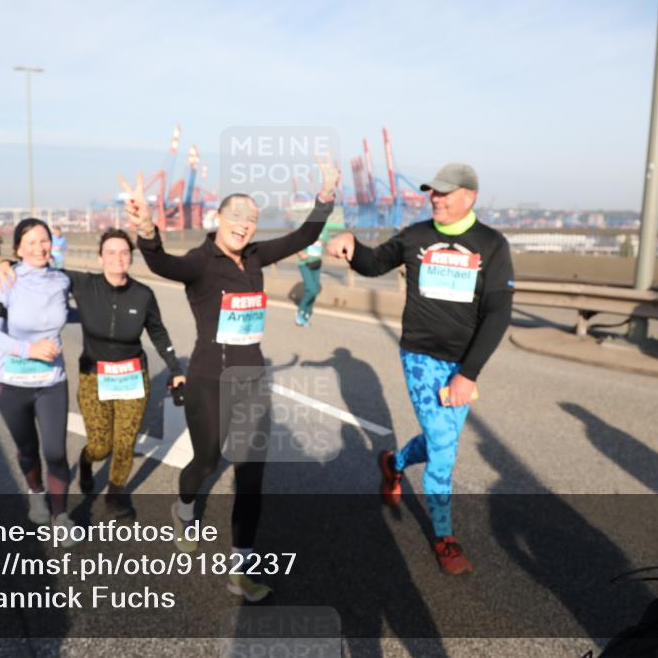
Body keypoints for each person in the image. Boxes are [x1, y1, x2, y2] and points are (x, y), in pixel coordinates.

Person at [123, 152, 340, 601]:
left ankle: (241, 567)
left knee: (252, 475)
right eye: (236, 215)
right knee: (205, 462)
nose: (244, 224)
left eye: (252, 218)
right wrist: (146, 229)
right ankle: (184, 509)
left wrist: (325, 195)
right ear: (217, 218)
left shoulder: (257, 256)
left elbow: (305, 234)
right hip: (209, 380)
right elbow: (162, 263)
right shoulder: (200, 263)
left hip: (252, 381)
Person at [327, 163, 514, 576]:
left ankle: (393, 463)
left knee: (437, 439)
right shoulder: (416, 236)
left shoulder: (492, 244)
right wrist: (351, 245)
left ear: (470, 197)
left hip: (462, 364)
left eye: (445, 193)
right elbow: (374, 262)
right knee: (444, 450)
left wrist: (468, 374)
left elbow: (499, 312)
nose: (436, 198)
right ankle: (445, 537)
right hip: (420, 357)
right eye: (433, 191)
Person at [0, 229, 185, 519]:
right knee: (100, 444)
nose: (117, 258)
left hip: (133, 376)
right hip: (93, 375)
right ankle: (86, 463)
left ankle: (116, 495)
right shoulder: (82, 283)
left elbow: (158, 332)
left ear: (130, 258)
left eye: (124, 253)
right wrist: (5, 263)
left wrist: (176, 370)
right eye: (110, 252)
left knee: (124, 442)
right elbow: (39, 267)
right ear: (100, 257)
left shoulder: (143, 294)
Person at [0, 218, 77, 541]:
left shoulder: (61, 281)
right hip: (10, 383)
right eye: (30, 242)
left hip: (52, 381)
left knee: (56, 452)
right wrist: (28, 349)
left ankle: (60, 515)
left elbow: (79, 309)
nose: (39, 247)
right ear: (18, 249)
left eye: (44, 240)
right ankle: (35, 491)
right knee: (27, 450)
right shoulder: (6, 280)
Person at [294, 227, 329, 326]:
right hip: (305, 263)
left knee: (315, 289)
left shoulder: (325, 231)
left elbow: (330, 244)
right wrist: (300, 253)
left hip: (316, 264)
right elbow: (294, 242)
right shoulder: (307, 228)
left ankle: (306, 315)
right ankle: (300, 311)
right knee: (311, 289)